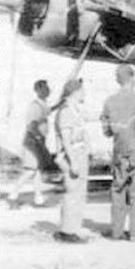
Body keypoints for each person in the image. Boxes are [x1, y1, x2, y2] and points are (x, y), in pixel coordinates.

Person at [101, 63, 135, 241]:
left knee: (118, 190)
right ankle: (134, 233)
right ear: (132, 79)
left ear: (118, 80)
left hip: (119, 153)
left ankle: (116, 232)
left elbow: (106, 130)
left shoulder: (109, 101)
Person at [8, 80, 55, 208]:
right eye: (45, 88)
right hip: (33, 140)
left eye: (48, 88)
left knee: (37, 170)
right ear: (38, 91)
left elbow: (49, 111)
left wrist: (62, 102)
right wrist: (39, 139)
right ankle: (12, 195)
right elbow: (32, 125)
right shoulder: (35, 106)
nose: (48, 90)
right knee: (30, 171)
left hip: (38, 140)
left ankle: (38, 199)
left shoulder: (43, 105)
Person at [53, 79, 89, 243]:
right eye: (81, 90)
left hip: (79, 153)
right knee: (73, 193)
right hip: (72, 155)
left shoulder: (74, 111)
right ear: (74, 92)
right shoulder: (66, 112)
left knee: (78, 193)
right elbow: (66, 140)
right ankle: (67, 231)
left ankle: (72, 228)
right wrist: (73, 161)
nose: (84, 93)